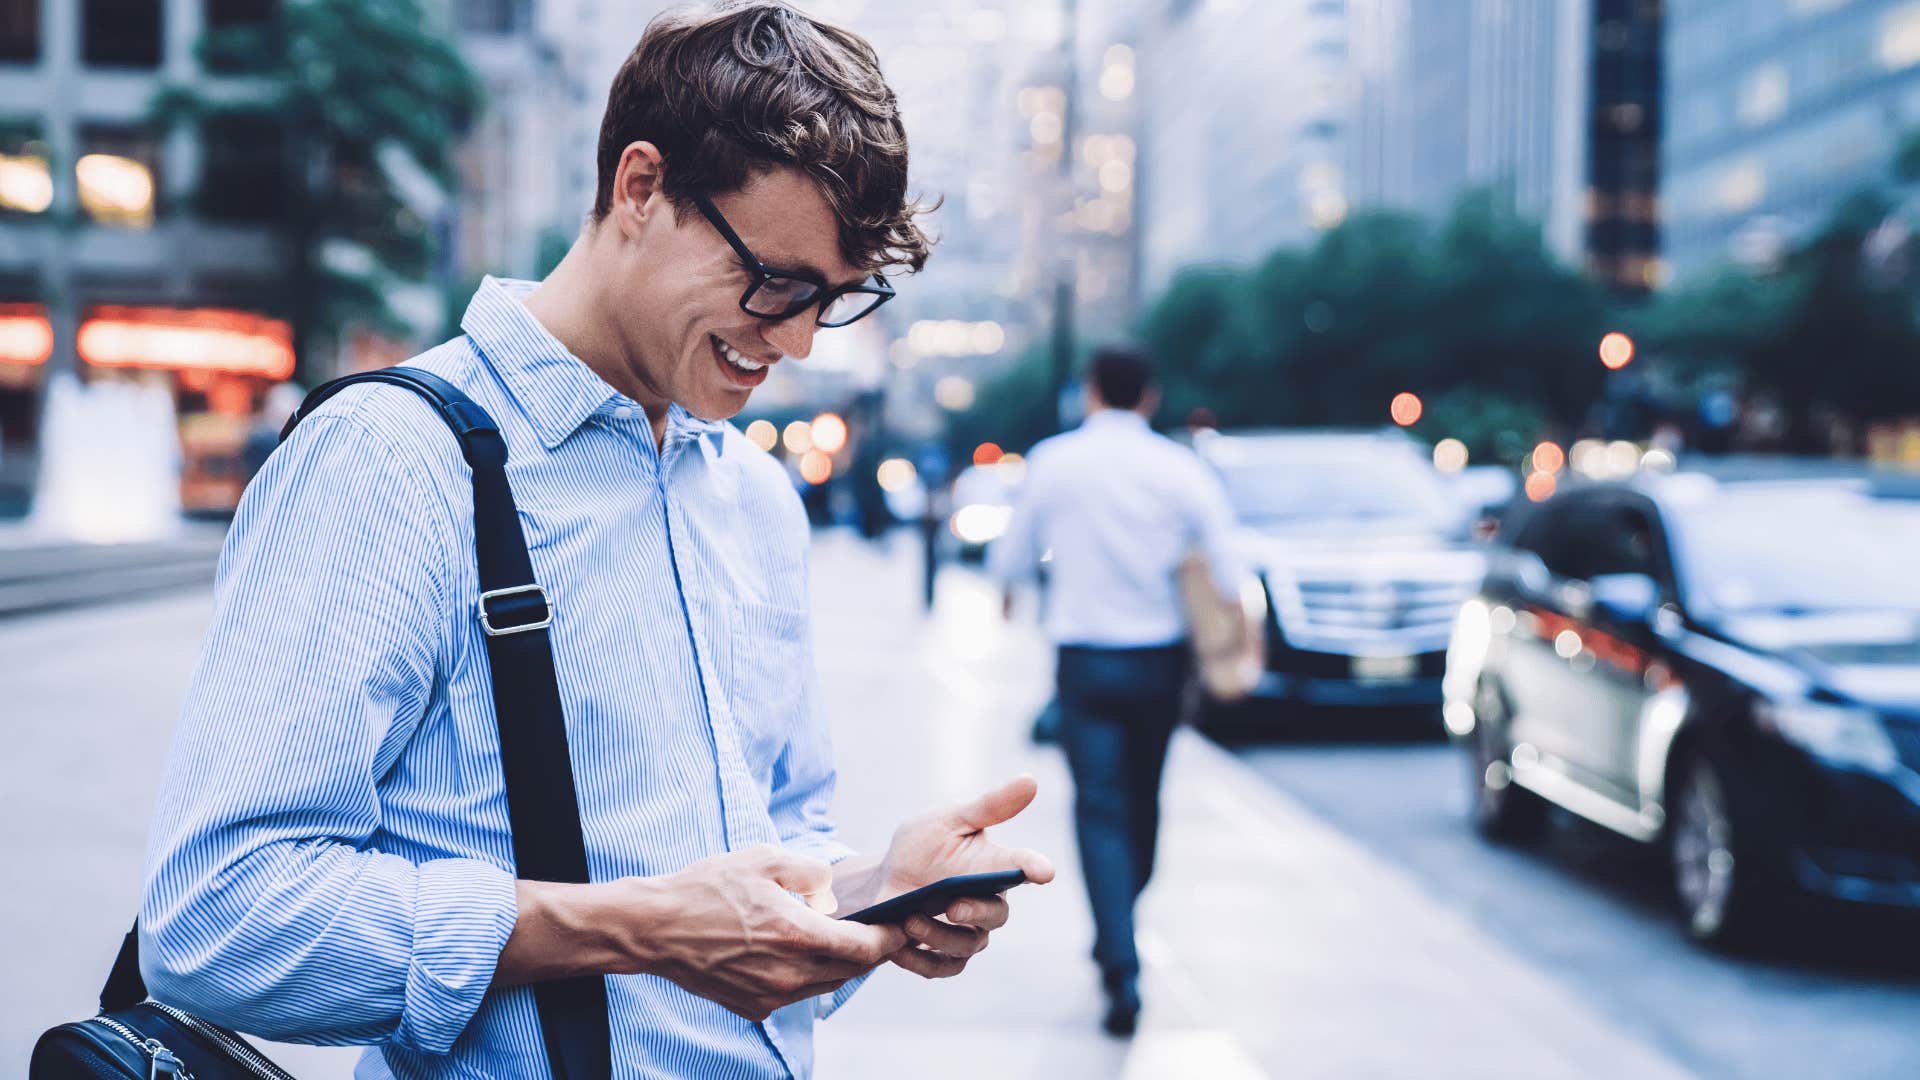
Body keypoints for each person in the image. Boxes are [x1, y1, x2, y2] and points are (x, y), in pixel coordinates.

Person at [139, 5, 1053, 1078]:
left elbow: (770, 859)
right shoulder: (391, 461)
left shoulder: (754, 498)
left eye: (835, 302)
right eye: (778, 283)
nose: (799, 339)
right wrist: (634, 926)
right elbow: (218, 921)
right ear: (639, 187)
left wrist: (870, 893)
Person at [988, 347, 1240, 1037]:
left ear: (1092, 393)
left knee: (1099, 808)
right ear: (1150, 397)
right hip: (1160, 661)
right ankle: (1120, 934)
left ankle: (1117, 955)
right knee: (1143, 802)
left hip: (1084, 659)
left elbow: (1010, 555)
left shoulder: (1054, 461)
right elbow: (1227, 559)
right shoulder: (1180, 467)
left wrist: (1011, 590)